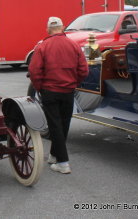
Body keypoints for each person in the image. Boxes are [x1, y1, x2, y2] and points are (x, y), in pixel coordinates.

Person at [28, 17, 89, 174]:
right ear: (62, 28)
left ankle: (63, 163)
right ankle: (54, 156)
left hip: (49, 91)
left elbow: (34, 71)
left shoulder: (43, 46)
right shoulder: (74, 45)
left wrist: (39, 87)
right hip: (68, 91)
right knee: (64, 124)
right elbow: (84, 70)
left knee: (55, 125)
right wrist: (74, 82)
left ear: (48, 29)